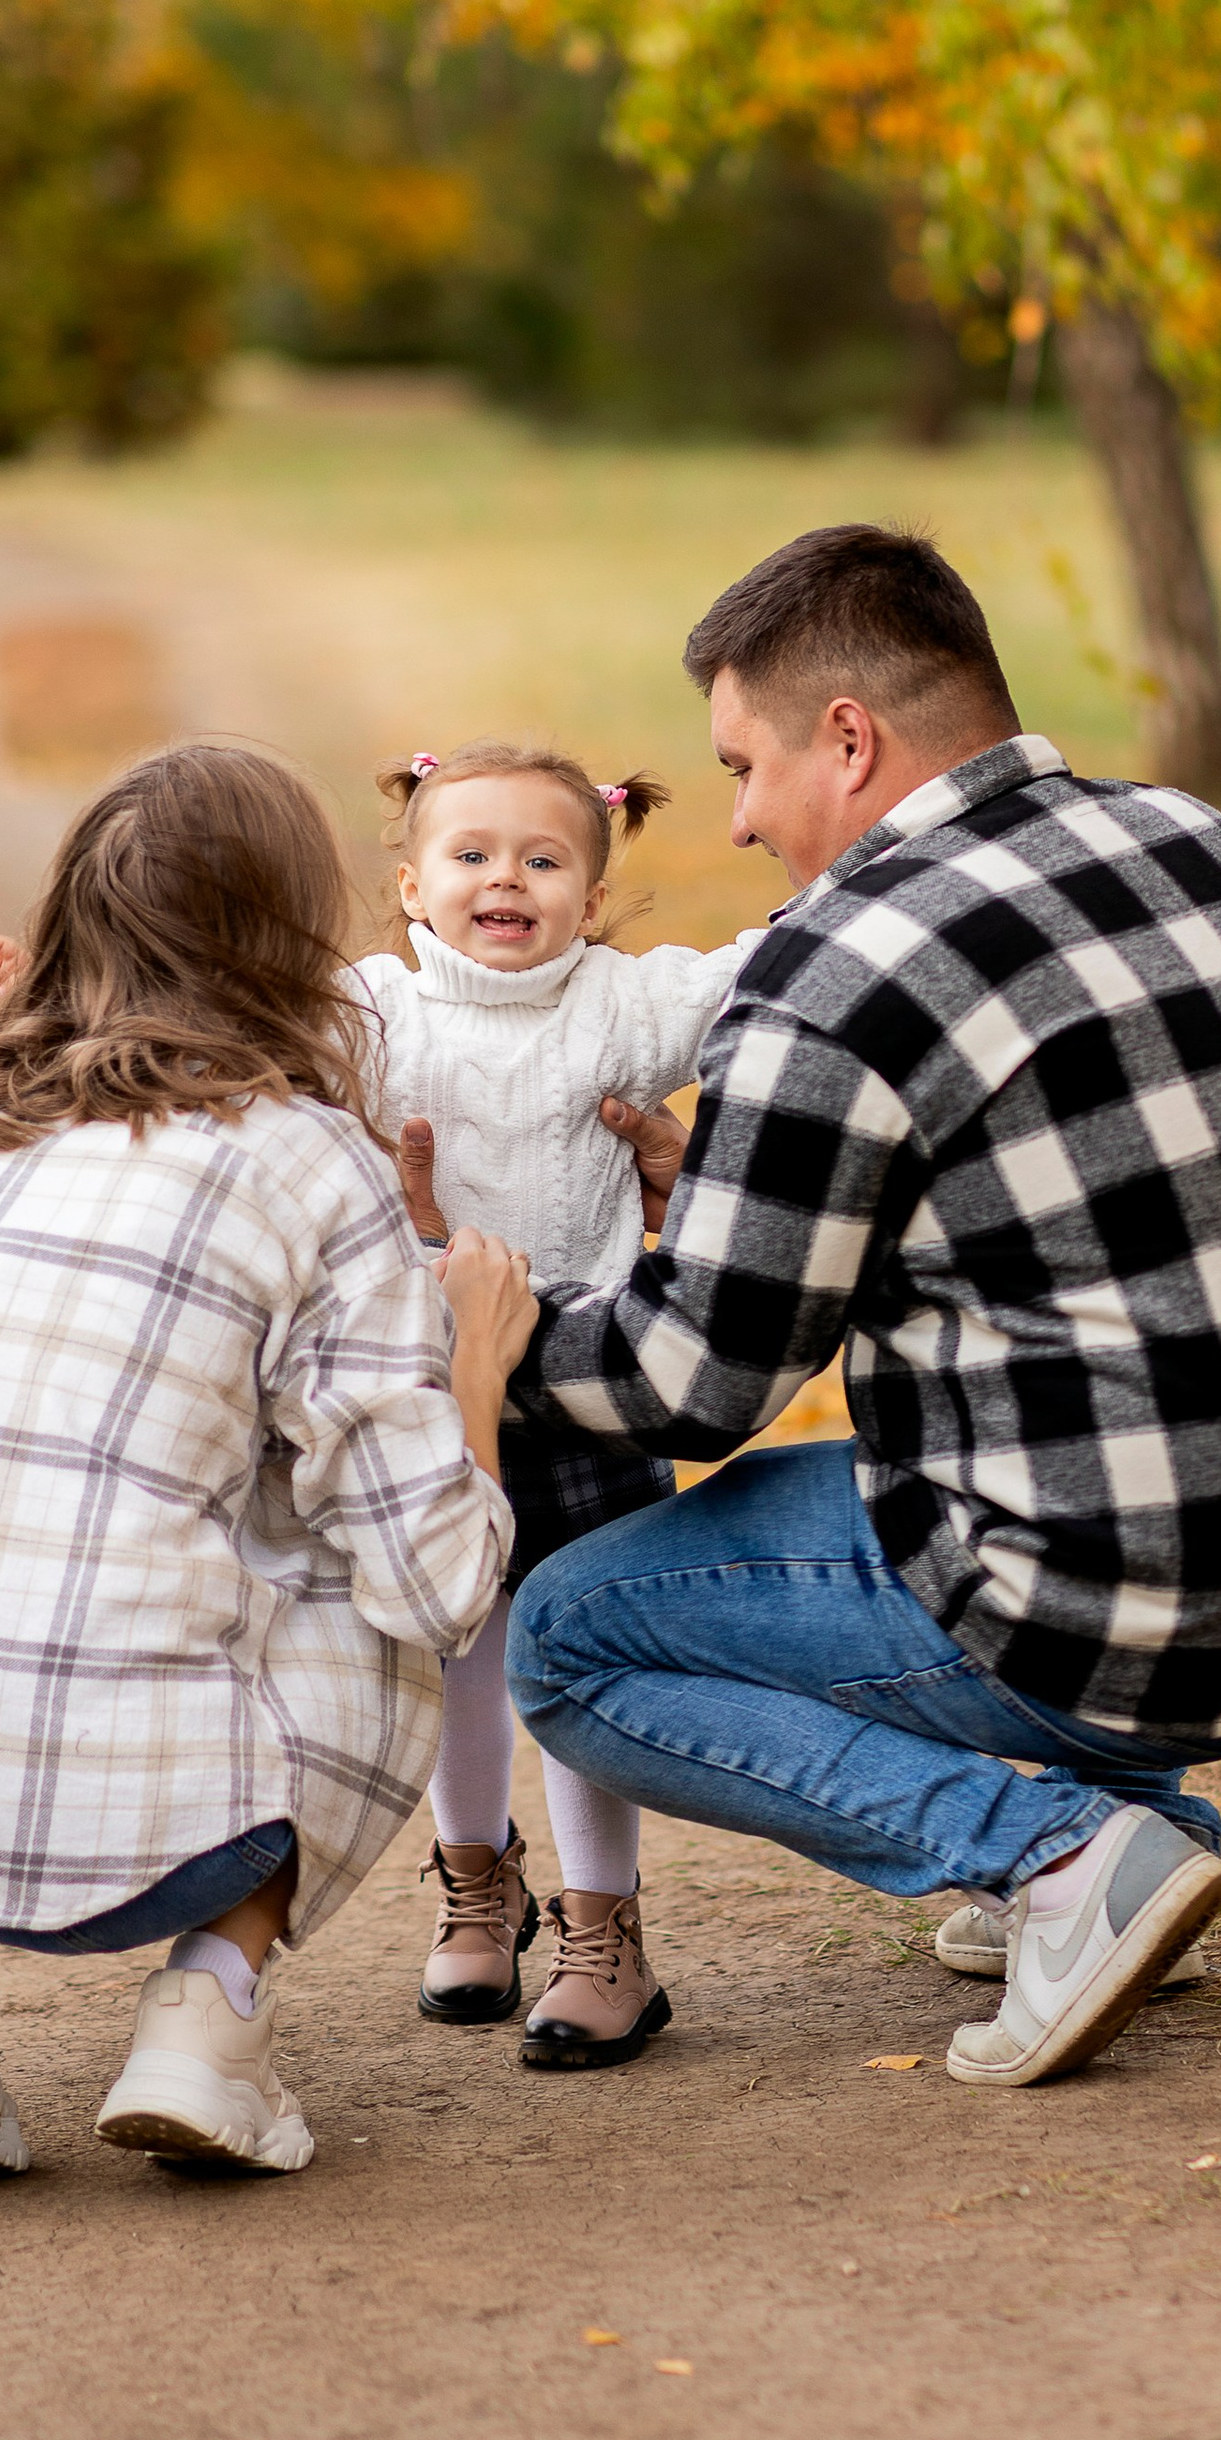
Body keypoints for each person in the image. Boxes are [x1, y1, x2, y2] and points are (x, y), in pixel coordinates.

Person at [506, 524, 1221, 2088]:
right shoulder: (1191, 835)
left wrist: (488, 1337)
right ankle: (1144, 1829)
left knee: (566, 1642)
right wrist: (756, 1193)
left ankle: (1049, 1854)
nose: (745, 820)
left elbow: (692, 1389)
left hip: (1131, 1604)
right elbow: (1086, 1203)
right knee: (952, 1483)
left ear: (851, 740)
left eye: (747, 767)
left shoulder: (835, 963)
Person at [0, 741, 533, 2184]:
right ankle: (207, 2014)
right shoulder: (308, 1158)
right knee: (383, 1597)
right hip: (166, 1841)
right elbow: (434, 1585)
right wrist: (474, 1355)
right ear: (289, 941)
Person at [355, 739, 763, 2061]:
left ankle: (606, 1931)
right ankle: (476, 1887)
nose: (504, 880)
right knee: (455, 1659)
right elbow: (222, 1027)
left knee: (578, 1664)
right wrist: (56, 991)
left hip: (593, 1395)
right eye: (469, 855)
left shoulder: (624, 1008)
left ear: (591, 892)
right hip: (438, 1392)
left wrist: (897, 879)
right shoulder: (377, 1012)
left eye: (543, 858)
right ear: (412, 887)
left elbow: (781, 971)